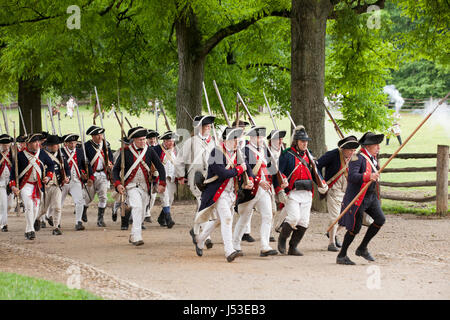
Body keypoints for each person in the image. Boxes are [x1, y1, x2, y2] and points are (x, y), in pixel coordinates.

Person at [191, 127, 255, 262]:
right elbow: (223, 174)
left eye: (237, 138)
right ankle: (229, 251)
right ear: (226, 140)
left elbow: (247, 167)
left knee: (220, 220)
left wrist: (250, 180)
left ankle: (200, 239)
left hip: (231, 193)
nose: (236, 141)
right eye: (233, 139)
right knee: (227, 219)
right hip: (217, 192)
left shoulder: (238, 153)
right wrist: (239, 169)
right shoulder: (216, 153)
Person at [273, 126, 328, 256]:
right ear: (296, 142)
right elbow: (278, 173)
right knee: (293, 218)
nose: (305, 143)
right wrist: (280, 189)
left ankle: (293, 247)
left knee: (304, 222)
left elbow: (315, 173)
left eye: (306, 141)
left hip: (307, 192)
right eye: (302, 141)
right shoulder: (287, 155)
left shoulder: (309, 155)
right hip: (293, 192)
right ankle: (282, 239)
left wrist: (322, 184)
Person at [233, 126, 287, 257]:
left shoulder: (264, 150)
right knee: (244, 218)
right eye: (258, 137)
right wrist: (258, 181)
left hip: (265, 189)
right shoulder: (244, 151)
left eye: (262, 137)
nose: (260, 139)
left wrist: (282, 179)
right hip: (251, 189)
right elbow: (245, 171)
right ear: (251, 137)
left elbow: (272, 169)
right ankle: (235, 245)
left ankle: (264, 246)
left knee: (268, 215)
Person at [336, 132, 386, 265]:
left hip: (371, 196)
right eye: (376, 145)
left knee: (380, 219)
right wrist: (368, 176)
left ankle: (362, 248)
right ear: (368, 146)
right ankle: (341, 255)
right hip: (358, 197)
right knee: (355, 228)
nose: (378, 148)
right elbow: (352, 176)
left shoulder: (373, 157)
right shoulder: (356, 157)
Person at [113, 127, 166, 246]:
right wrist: (118, 184)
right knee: (136, 207)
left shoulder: (150, 151)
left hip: (145, 186)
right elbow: (115, 170)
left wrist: (162, 183)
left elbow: (160, 167)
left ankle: (133, 234)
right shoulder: (125, 152)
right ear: (134, 140)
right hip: (131, 186)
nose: (144, 142)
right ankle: (137, 236)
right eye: (141, 140)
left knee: (142, 212)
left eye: (144, 139)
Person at [177, 115, 216, 249]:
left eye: (210, 127)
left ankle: (195, 229)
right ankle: (207, 237)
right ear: (200, 127)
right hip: (196, 178)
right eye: (206, 126)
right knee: (203, 204)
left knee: (206, 206)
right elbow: (180, 160)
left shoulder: (214, 142)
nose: (208, 129)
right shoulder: (191, 142)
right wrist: (181, 175)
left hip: (211, 178)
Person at [317, 135, 359, 252]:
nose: (352, 152)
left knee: (347, 218)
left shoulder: (354, 158)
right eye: (350, 150)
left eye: (354, 150)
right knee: (335, 217)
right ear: (343, 149)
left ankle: (331, 232)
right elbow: (317, 165)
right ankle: (331, 243)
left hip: (347, 191)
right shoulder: (333, 154)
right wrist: (321, 182)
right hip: (333, 190)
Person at [10, 133, 55, 240]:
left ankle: (28, 229)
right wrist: (13, 186)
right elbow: (13, 174)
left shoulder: (42, 153)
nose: (37, 144)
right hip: (25, 185)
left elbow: (51, 165)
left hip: (38, 185)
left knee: (35, 208)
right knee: (29, 206)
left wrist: (48, 177)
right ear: (28, 144)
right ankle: (31, 230)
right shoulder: (20, 155)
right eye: (34, 142)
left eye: (38, 142)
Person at [35, 135, 70, 235]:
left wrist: (67, 177)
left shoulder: (61, 155)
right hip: (46, 185)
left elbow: (67, 168)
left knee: (57, 207)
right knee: (43, 209)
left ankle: (56, 227)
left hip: (57, 185)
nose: (57, 146)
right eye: (55, 145)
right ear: (49, 146)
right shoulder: (41, 154)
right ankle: (37, 219)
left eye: (57, 144)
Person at [61, 134, 94, 231]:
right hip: (64, 181)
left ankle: (78, 222)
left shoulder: (80, 152)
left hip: (76, 180)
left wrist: (88, 176)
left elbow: (85, 165)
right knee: (59, 202)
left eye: (74, 142)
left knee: (80, 200)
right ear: (66, 143)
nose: (72, 144)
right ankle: (56, 221)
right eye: (70, 143)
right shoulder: (61, 152)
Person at [83, 125, 114, 227]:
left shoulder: (106, 144)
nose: (100, 137)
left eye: (101, 134)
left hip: (103, 174)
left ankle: (100, 219)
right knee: (88, 197)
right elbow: (84, 162)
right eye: (97, 135)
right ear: (92, 136)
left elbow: (110, 158)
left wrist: (110, 164)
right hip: (91, 175)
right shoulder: (86, 146)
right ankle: (83, 210)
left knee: (103, 197)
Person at [153, 131, 177, 229]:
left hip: (171, 178)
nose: (171, 143)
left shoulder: (175, 150)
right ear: (164, 141)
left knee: (170, 199)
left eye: (172, 141)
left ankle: (161, 218)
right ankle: (168, 219)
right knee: (165, 198)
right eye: (168, 141)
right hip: (160, 178)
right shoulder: (156, 149)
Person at [267, 129, 287, 241]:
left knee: (289, 204)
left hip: (280, 185)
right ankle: (269, 233)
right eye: (277, 139)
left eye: (281, 139)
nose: (280, 141)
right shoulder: (266, 152)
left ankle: (279, 226)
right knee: (272, 210)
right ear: (271, 140)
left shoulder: (284, 153)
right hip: (270, 184)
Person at [143, 130, 160, 224]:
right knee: (146, 195)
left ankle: (147, 211)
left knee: (153, 196)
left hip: (156, 175)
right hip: (146, 174)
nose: (152, 140)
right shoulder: (144, 148)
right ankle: (146, 214)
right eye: (150, 138)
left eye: (153, 138)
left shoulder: (159, 148)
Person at [0, 134, 13, 232]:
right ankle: (4, 224)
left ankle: (2, 218)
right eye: (4, 144)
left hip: (10, 182)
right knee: (3, 204)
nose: (6, 146)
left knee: (9, 205)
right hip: (0, 182)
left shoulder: (13, 153)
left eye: (7, 144)